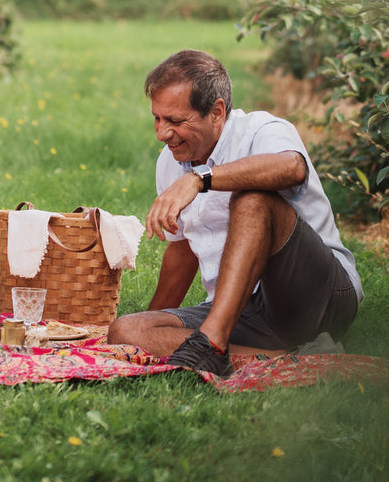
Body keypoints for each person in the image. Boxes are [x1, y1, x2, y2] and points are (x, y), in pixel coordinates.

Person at [107, 49, 362, 376]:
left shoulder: (261, 129)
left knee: (253, 198)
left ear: (216, 112)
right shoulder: (168, 161)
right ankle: (292, 361)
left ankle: (211, 344)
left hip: (317, 298)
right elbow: (183, 250)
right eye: (157, 118)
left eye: (174, 121)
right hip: (237, 312)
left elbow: (292, 167)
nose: (161, 133)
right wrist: (147, 328)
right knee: (126, 332)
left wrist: (199, 179)